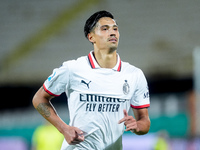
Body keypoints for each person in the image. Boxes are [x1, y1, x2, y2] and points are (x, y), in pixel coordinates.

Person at [32, 10, 150, 150]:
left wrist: (137, 126)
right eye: (105, 29)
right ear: (91, 37)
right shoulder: (72, 69)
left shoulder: (134, 75)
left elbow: (145, 122)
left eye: (115, 29)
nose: (112, 33)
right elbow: (39, 98)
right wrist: (64, 129)